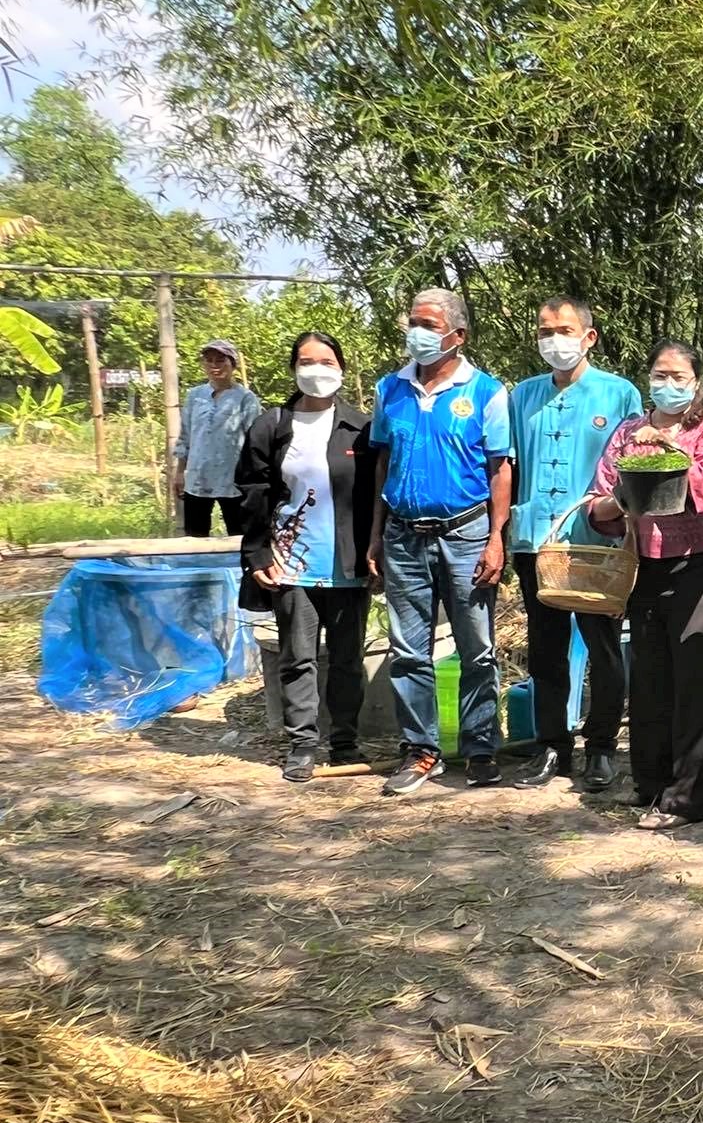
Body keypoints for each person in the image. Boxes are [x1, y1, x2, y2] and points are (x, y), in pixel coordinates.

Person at [367, 287, 513, 796]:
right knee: (409, 650)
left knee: (477, 649)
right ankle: (420, 750)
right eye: (414, 322)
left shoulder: (488, 393)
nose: (418, 333)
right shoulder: (391, 389)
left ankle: (479, 749)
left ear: (458, 335)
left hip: (467, 533)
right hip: (403, 535)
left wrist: (496, 539)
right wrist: (375, 536)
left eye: (429, 324)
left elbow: (500, 468)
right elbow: (382, 464)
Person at [589, 342, 703, 826]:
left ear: (697, 382)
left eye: (678, 376)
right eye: (659, 374)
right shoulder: (628, 432)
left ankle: (688, 797)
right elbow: (599, 500)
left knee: (694, 678)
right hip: (642, 564)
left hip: (697, 565)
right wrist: (618, 502)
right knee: (648, 676)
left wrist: (669, 448)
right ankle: (648, 783)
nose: (668, 384)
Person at [506, 296, 643, 792]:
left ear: (589, 337)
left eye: (564, 330)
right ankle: (551, 747)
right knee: (545, 649)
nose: (553, 340)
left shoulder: (619, 394)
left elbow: (634, 467)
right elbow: (508, 466)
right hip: (535, 542)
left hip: (596, 543)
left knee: (604, 646)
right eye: (545, 331)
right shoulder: (521, 396)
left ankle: (602, 746)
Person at [236, 332, 375, 782]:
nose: (317, 370)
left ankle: (345, 741)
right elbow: (252, 493)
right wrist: (257, 554)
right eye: (307, 361)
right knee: (298, 656)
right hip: (291, 561)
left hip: (348, 563)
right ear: (294, 368)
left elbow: (376, 497)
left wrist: (379, 555)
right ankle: (302, 744)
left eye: (326, 361)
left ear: (341, 368)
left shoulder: (363, 428)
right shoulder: (271, 424)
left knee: (348, 658)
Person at [173, 339, 262, 537]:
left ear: (233, 364)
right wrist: (180, 472)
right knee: (194, 537)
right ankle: (198, 569)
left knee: (238, 536)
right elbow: (186, 435)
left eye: (221, 361)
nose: (214, 366)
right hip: (198, 476)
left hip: (232, 479)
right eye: (209, 361)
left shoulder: (245, 398)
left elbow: (254, 441)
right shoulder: (195, 395)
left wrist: (254, 480)